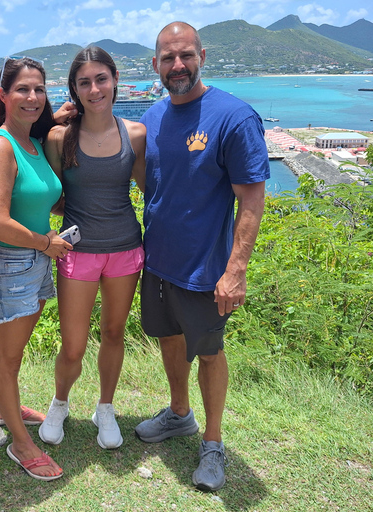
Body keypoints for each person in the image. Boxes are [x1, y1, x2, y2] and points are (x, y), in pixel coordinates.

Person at [135, 22, 269, 492]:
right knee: (170, 340)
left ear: (202, 57)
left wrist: (236, 271)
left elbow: (251, 199)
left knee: (210, 353)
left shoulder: (233, 116)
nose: (177, 65)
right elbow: (145, 181)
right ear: (155, 64)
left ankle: (213, 442)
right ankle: (179, 414)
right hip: (157, 264)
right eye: (168, 58)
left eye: (186, 55)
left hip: (207, 270)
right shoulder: (151, 118)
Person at [38, 47, 146, 450]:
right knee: (73, 344)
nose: (94, 88)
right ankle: (60, 403)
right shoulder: (58, 137)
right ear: (74, 89)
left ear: (115, 79)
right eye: (84, 82)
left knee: (114, 333)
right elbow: (50, 193)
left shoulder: (135, 134)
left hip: (124, 249)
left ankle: (105, 407)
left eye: (101, 79)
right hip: (76, 252)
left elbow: (150, 190)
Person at [0, 56, 70, 481]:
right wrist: (44, 242)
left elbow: (42, 198)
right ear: (3, 94)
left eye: (39, 89)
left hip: (36, 258)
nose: (32, 98)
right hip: (16, 260)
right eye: (22, 90)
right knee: (7, 358)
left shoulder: (32, 143)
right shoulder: (1, 146)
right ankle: (19, 442)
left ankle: (5, 409)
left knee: (12, 357)